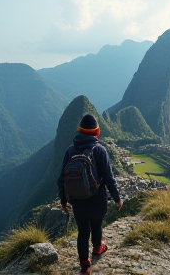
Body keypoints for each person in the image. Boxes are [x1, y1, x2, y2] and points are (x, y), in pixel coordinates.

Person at [57, 114, 123, 275]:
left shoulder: (70, 150)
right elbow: (109, 178)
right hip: (97, 198)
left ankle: (85, 266)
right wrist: (117, 198)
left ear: (80, 131)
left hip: (78, 200)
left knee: (83, 231)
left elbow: (61, 178)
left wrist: (64, 200)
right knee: (96, 224)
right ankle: (97, 248)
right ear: (96, 132)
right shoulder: (99, 150)